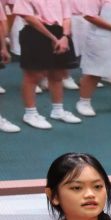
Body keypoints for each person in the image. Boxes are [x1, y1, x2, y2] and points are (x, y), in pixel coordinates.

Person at [13, 0, 81, 129]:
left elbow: (66, 17)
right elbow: (29, 18)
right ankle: (30, 114)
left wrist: (65, 36)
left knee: (57, 74)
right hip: (35, 32)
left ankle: (58, 110)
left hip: (60, 34)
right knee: (33, 76)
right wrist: (52, 38)